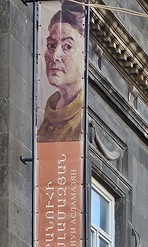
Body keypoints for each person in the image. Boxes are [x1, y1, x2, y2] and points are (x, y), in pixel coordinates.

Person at [37, 2, 87, 144]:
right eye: (51, 46)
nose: (55, 56)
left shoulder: (82, 119)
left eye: (67, 46)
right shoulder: (44, 114)